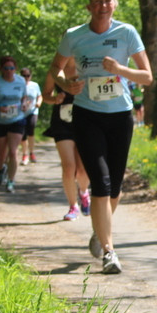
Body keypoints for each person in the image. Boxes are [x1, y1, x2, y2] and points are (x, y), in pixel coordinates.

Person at [44, 0, 152, 274]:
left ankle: (99, 232)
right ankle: (109, 251)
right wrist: (66, 85)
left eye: (108, 1)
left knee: (115, 187)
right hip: (87, 115)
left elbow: (147, 76)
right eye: (97, 2)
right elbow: (55, 68)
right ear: (89, 7)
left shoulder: (127, 33)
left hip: (120, 116)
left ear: (115, 4)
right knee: (101, 183)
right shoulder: (74, 36)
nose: (103, 6)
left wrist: (121, 69)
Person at [42, 56, 93, 221]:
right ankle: (73, 206)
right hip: (62, 123)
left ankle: (84, 192)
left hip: (85, 121)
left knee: (83, 169)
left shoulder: (87, 68)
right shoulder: (56, 71)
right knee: (69, 167)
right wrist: (55, 99)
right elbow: (46, 95)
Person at [0, 56, 27, 193]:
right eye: (6, 68)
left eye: (12, 68)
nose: (9, 71)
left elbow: (24, 98)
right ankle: (1, 168)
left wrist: (25, 104)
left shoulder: (21, 81)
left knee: (13, 152)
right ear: (1, 69)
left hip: (17, 119)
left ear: (15, 69)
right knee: (1, 153)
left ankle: (11, 180)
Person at [19, 67, 42, 165]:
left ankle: (32, 152)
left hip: (33, 111)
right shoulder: (18, 85)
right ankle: (25, 154)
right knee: (22, 134)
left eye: (28, 75)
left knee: (31, 130)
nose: (26, 77)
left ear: (30, 76)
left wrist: (38, 103)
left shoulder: (34, 85)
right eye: (24, 76)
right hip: (21, 113)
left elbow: (39, 96)